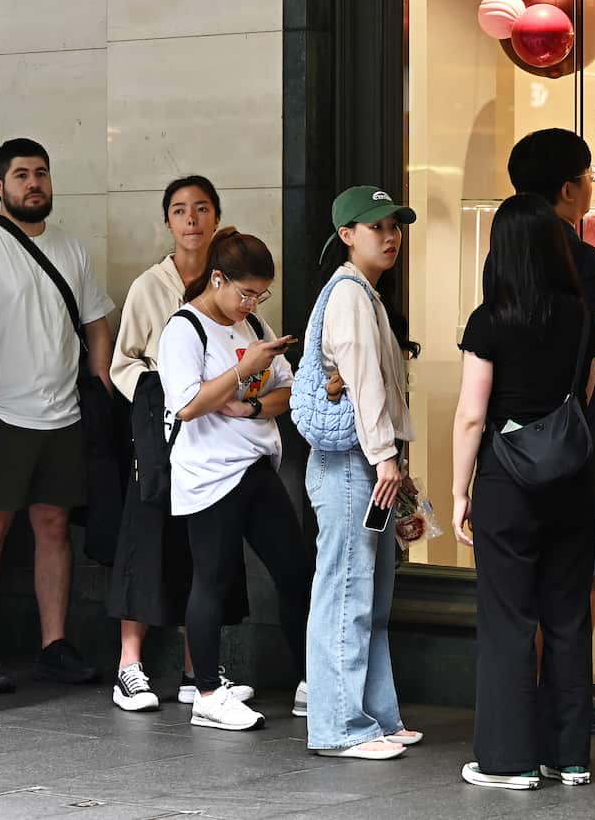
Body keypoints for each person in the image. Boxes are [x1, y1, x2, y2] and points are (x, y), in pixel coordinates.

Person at [0, 137, 113, 694]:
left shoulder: (72, 246)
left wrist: (103, 384)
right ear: (0, 186)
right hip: (2, 415)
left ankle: (53, 645)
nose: (33, 183)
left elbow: (95, 321)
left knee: (53, 527)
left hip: (62, 416)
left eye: (41, 172)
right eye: (21, 175)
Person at [453, 194, 595, 789]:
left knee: (509, 618)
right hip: (573, 479)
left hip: (507, 482)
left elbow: (471, 414)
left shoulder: (491, 319)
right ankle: (570, 757)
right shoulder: (582, 317)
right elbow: (581, 399)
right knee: (568, 615)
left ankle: (509, 760)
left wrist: (461, 489)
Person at [507, 128, 595, 734]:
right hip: (584, 440)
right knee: (577, 579)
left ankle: (542, 699)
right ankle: (564, 700)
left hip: (521, 442)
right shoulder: (581, 257)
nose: (592, 185)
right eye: (590, 174)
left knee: (538, 580)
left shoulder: (509, 256)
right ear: (570, 189)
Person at [156, 228, 312, 731]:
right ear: (217, 279)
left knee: (294, 570)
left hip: (255, 464)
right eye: (245, 293)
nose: (251, 303)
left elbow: (288, 392)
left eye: (260, 294)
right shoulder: (185, 328)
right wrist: (244, 371)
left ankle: (312, 680)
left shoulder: (254, 325)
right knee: (213, 578)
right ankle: (205, 691)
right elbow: (186, 403)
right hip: (207, 474)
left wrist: (245, 405)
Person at [107, 177, 253, 712]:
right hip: (163, 430)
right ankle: (129, 664)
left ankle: (201, 667)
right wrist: (166, 391)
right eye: (179, 210)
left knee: (207, 547)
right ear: (167, 222)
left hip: (218, 437)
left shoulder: (233, 280)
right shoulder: (151, 286)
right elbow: (122, 362)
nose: (191, 219)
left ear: (216, 216)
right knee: (146, 536)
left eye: (201, 209)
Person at [301, 186, 422, 760]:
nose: (390, 234)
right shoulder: (349, 294)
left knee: (366, 594)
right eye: (376, 226)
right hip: (353, 461)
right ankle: (339, 725)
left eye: (395, 224)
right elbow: (365, 385)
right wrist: (385, 456)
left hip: (366, 461)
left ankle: (373, 716)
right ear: (347, 235)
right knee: (346, 590)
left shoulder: (364, 294)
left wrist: (393, 459)